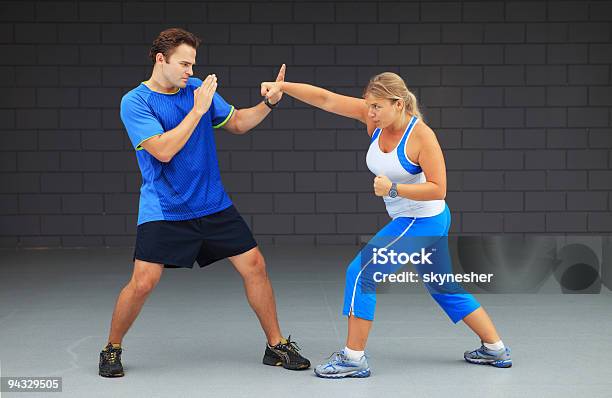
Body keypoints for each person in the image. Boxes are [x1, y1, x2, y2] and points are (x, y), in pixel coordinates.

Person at [261, 72, 512, 378]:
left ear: (398, 103)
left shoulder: (422, 136)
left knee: (360, 273)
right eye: (368, 105)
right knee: (443, 287)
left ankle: (353, 359)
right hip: (420, 220)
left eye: (377, 107)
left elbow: (439, 188)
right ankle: (495, 348)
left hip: (421, 220)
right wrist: (283, 87)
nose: (370, 112)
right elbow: (326, 99)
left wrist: (393, 189)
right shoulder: (374, 119)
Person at [98, 28, 310, 378]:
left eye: (193, 65)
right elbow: (163, 151)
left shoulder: (196, 90)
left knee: (254, 265)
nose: (190, 72)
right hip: (165, 208)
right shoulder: (135, 102)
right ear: (160, 60)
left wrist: (270, 102)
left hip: (213, 204)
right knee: (143, 282)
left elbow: (239, 123)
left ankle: (275, 345)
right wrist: (196, 112)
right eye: (184, 64)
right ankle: (112, 347)